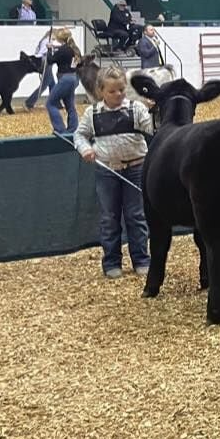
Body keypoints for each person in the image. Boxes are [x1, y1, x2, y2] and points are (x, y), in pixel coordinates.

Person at [73, 66, 155, 279]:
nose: (118, 94)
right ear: (101, 91)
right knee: (110, 218)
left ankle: (141, 260)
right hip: (107, 170)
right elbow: (79, 135)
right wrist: (86, 149)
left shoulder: (136, 108)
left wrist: (155, 111)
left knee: (136, 216)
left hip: (136, 167)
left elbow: (152, 128)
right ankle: (111, 262)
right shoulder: (93, 113)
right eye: (112, 91)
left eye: (121, 89)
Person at [45, 28, 81, 135]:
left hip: (64, 78)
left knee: (50, 103)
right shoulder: (74, 49)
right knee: (70, 105)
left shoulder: (62, 50)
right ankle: (72, 129)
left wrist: (49, 50)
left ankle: (60, 129)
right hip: (73, 77)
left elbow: (50, 60)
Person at [24, 28, 60, 111]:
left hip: (45, 62)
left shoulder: (45, 40)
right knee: (44, 85)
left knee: (52, 83)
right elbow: (43, 52)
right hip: (45, 62)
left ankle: (56, 102)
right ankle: (29, 102)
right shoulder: (47, 41)